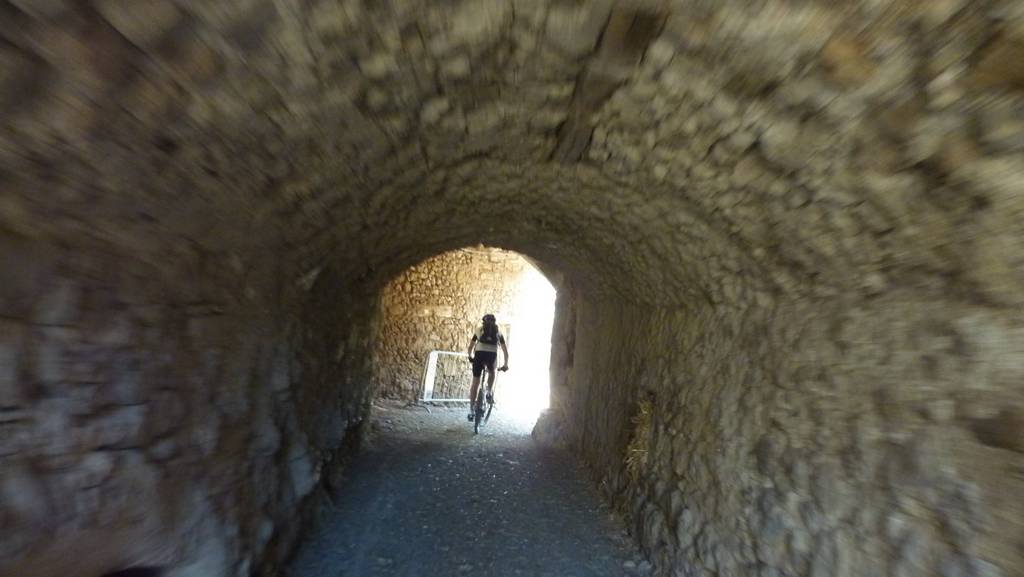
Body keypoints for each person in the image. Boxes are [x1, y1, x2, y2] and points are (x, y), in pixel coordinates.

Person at [467, 313, 509, 421]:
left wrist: (470, 356)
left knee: (475, 382)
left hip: (479, 355)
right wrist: (505, 364)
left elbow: (471, 347)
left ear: (483, 322)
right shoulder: (498, 332)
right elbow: (505, 351)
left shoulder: (478, 330)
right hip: (491, 356)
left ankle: (471, 410)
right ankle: (489, 392)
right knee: (492, 372)